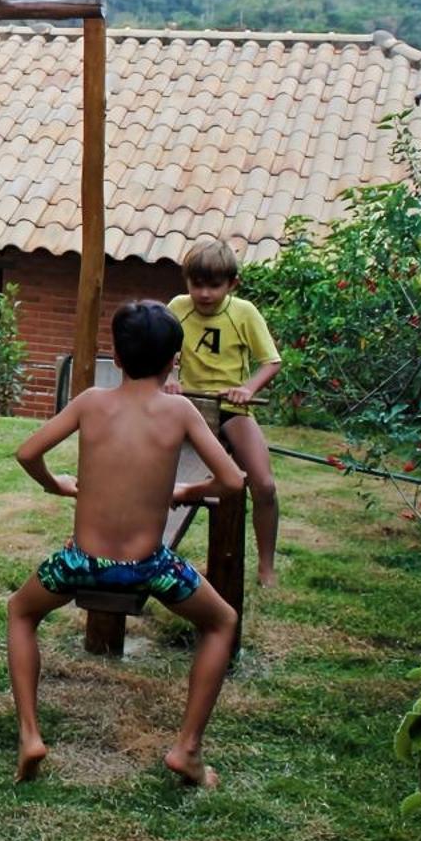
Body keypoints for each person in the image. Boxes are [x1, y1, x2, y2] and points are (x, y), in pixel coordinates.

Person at [5, 301, 246, 787]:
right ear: (174, 360)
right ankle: (188, 751)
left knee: (20, 612)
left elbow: (27, 452)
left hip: (80, 563)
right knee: (222, 622)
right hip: (148, 566)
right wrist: (187, 492)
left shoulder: (92, 401)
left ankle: (30, 735)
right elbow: (233, 482)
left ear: (115, 353)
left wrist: (55, 484)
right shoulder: (179, 410)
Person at [167, 238, 284, 586]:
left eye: (214, 285)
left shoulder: (244, 312)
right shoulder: (176, 306)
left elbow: (271, 362)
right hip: (184, 407)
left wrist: (247, 389)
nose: (204, 294)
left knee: (263, 485)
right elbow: (161, 349)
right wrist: (171, 376)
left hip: (231, 410)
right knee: (152, 477)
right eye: (197, 284)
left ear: (232, 284)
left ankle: (266, 566)